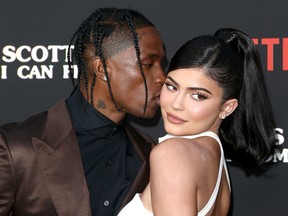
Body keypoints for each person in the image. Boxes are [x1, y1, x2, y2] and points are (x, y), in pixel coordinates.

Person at [0, 8, 166, 216]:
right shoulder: (16, 147)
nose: (162, 77)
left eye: (162, 64)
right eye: (148, 65)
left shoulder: (150, 154)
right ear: (102, 69)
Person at [117, 28, 279, 216]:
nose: (176, 104)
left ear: (227, 107)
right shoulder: (214, 159)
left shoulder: (172, 154)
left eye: (197, 96)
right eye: (171, 86)